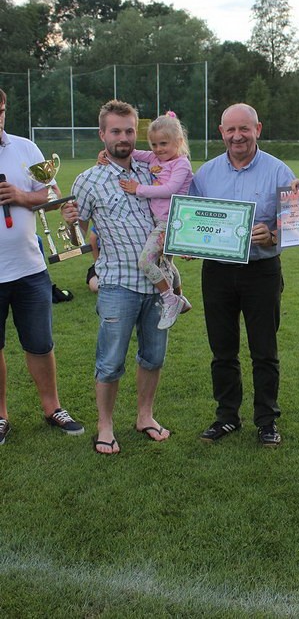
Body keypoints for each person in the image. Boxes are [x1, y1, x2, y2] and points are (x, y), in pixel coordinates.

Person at [62, 99, 172, 455]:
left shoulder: (153, 170)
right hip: (117, 285)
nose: (123, 137)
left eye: (128, 130)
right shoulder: (88, 180)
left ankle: (145, 416)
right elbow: (77, 239)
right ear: (102, 134)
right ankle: (105, 425)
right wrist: (71, 223)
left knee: (153, 357)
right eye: (115, 131)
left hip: (157, 285)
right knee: (110, 362)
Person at [190, 103, 295, 447]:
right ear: (222, 132)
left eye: (244, 129)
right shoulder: (205, 174)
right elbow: (191, 219)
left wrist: (273, 234)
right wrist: (187, 242)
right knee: (222, 350)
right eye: (231, 130)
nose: (238, 136)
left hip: (261, 272)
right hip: (217, 273)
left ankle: (266, 421)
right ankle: (227, 417)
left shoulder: (279, 171)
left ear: (257, 129)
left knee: (264, 351)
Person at [0, 88, 84, 445]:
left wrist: (21, 196)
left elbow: (52, 196)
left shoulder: (24, 148)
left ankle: (53, 408)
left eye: (0, 111)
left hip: (29, 269)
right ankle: (1, 416)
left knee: (40, 343)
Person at [116, 111, 193, 329]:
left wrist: (138, 189)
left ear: (178, 142)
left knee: (145, 262)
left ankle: (170, 300)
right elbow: (131, 152)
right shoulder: (154, 158)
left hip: (171, 223)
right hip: (159, 222)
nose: (158, 149)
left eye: (164, 144)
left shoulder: (181, 164)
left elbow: (170, 189)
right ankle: (180, 298)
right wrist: (105, 153)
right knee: (166, 263)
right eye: (154, 144)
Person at [85, 226, 100, 293]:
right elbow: (92, 238)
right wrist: (97, 262)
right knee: (95, 287)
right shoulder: (101, 223)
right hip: (103, 259)